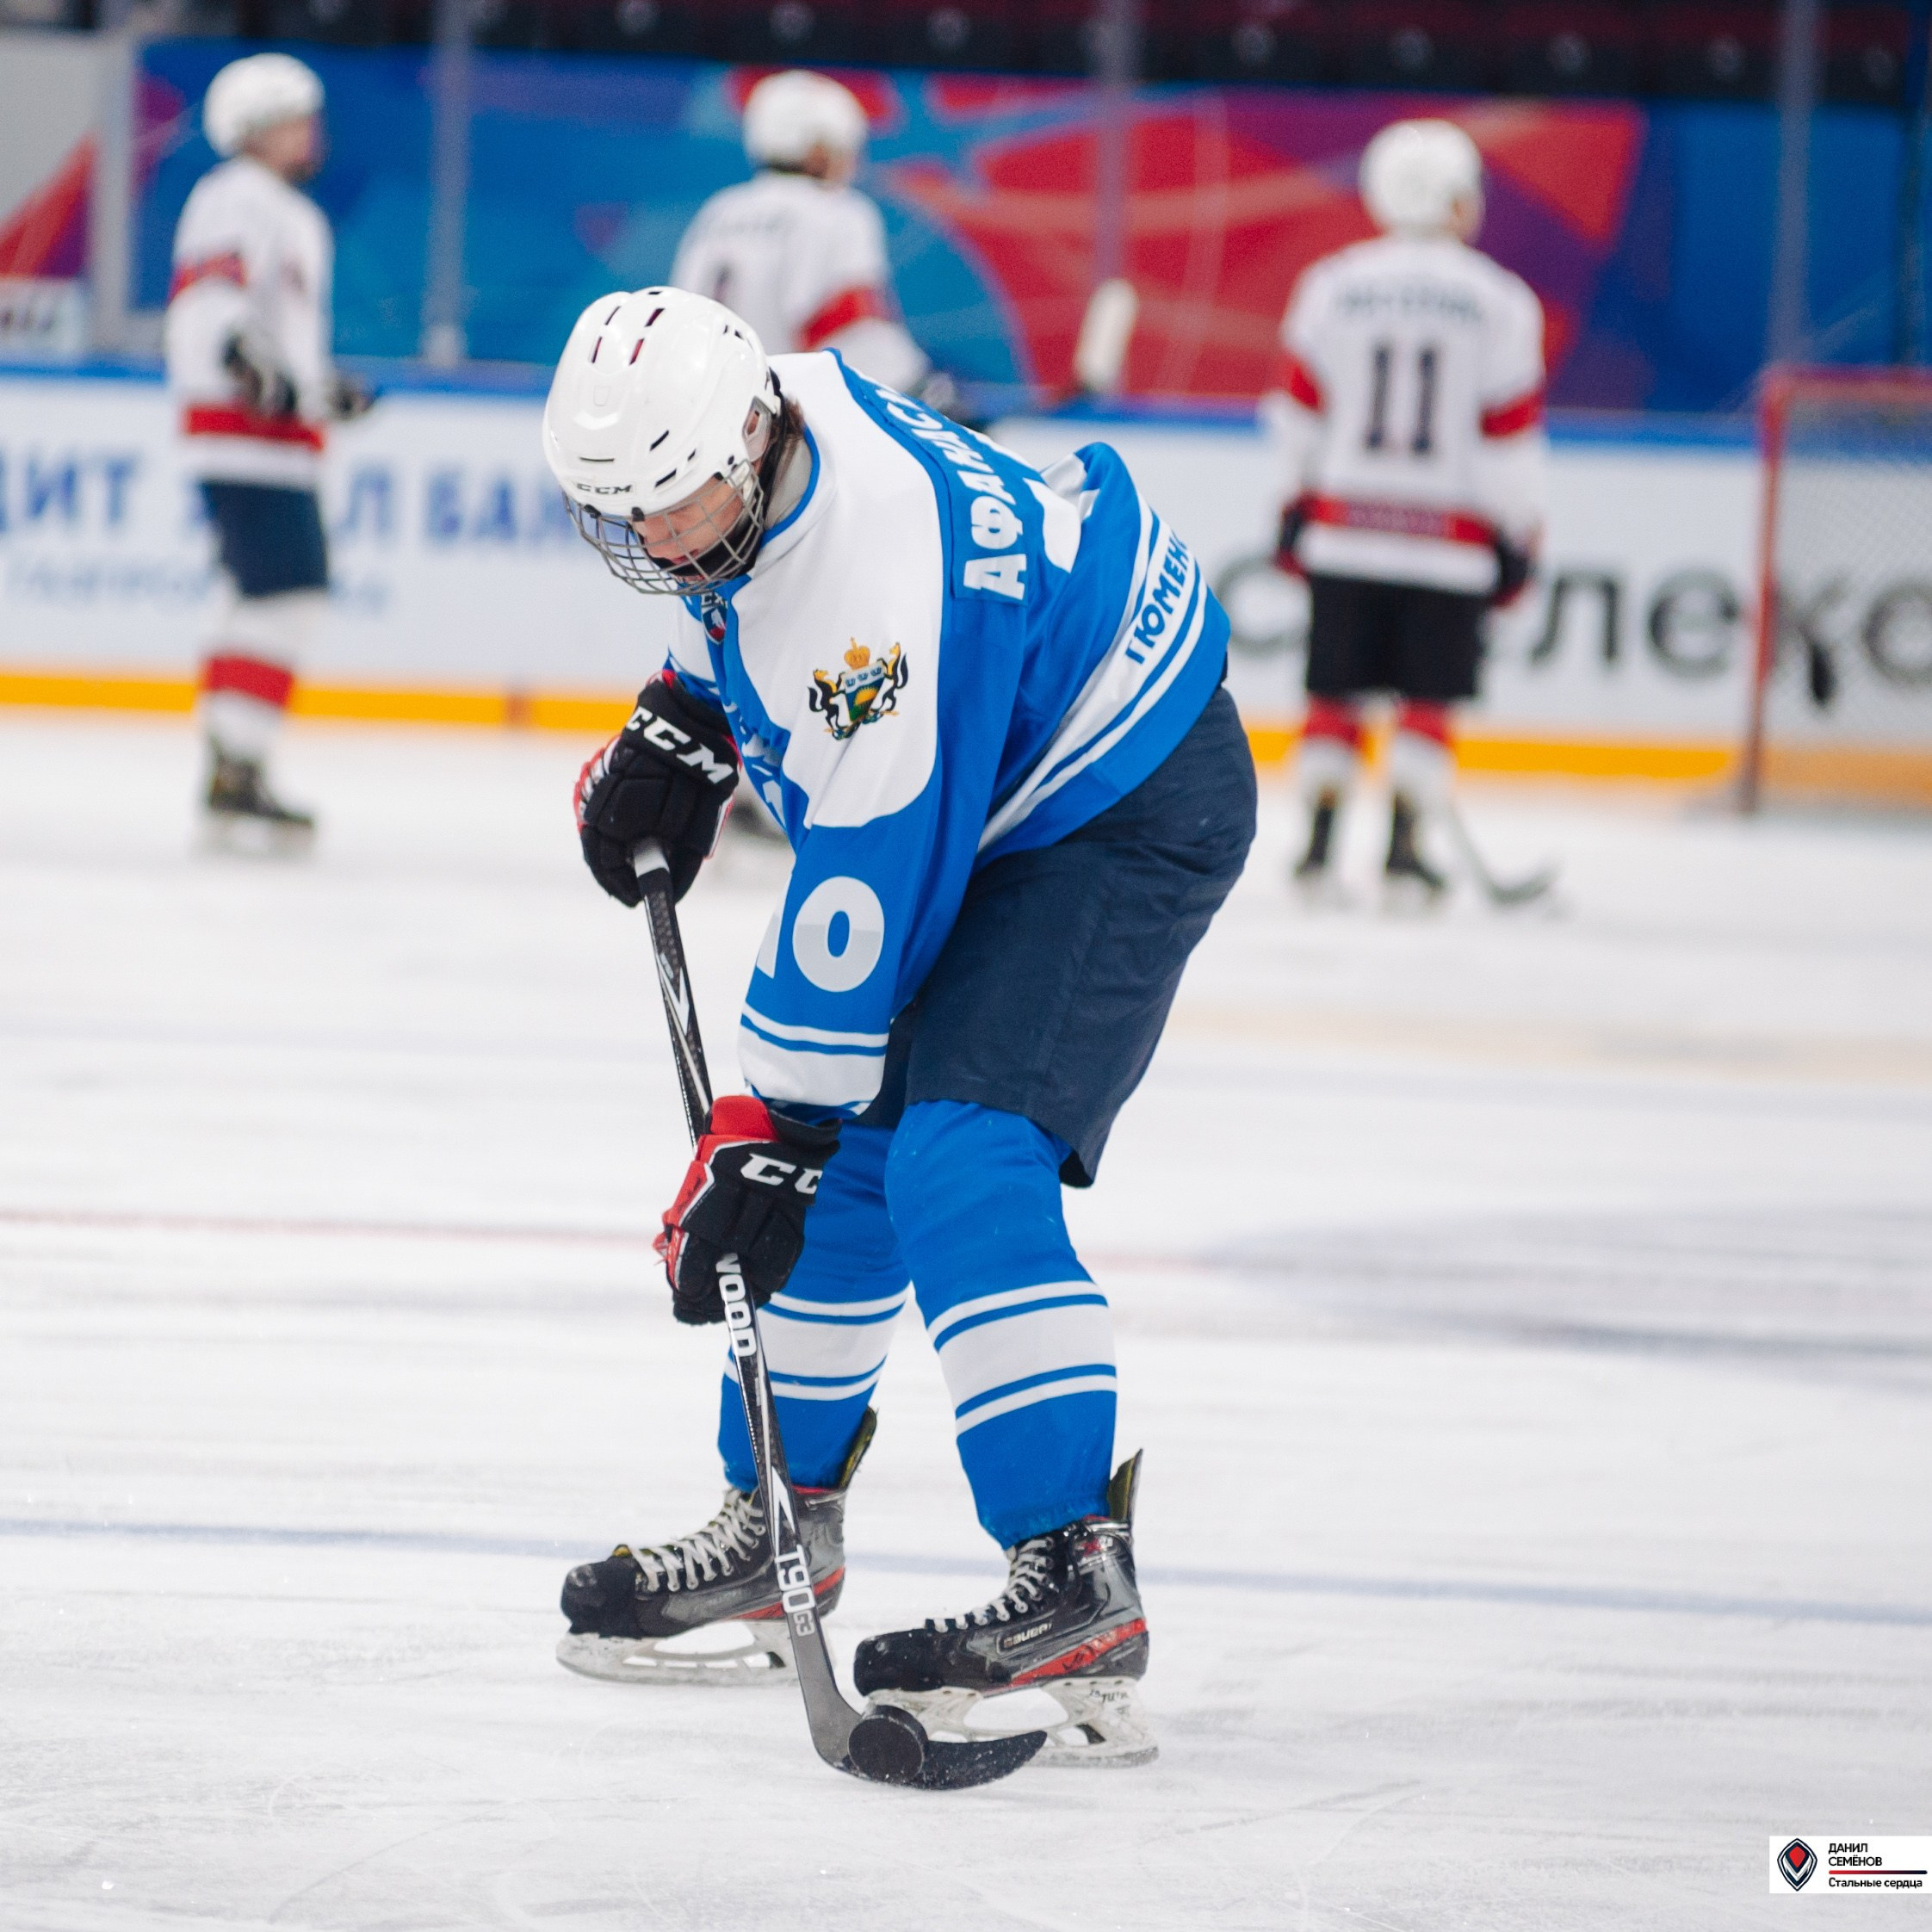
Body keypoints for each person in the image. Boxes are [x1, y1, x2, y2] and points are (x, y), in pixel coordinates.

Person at [541, 288, 1254, 1766]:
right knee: (848, 1180)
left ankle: (1074, 1574)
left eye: (673, 505)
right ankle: (776, 1518)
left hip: (1117, 795)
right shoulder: (763, 419)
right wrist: (687, 709)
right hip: (998, 754)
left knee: (956, 1159)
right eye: (627, 514)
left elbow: (867, 876)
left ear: (742, 434)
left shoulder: (877, 585)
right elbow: (759, 615)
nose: (659, 542)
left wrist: (763, 1127)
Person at [1260, 118, 1546, 898]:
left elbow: (1296, 415)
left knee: (1333, 694)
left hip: (1344, 532)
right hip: (1448, 544)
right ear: (1457, 198)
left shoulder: (1331, 285)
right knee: (1428, 698)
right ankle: (1405, 855)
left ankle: (1316, 853)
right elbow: (1507, 440)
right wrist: (1519, 533)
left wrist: (1291, 505)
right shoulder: (1501, 301)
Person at [164, 53, 374, 849]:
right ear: (259, 127)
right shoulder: (237, 196)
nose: (310, 132)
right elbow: (212, 305)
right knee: (289, 592)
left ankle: (232, 760)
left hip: (267, 440)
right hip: (250, 442)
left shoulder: (277, 207)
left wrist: (319, 388)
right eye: (296, 118)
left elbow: (261, 336)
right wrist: (251, 365)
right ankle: (236, 764)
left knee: (262, 595)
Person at [671, 69, 952, 410]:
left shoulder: (718, 211)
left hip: (704, 408)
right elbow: (854, 332)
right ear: (819, 149)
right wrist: (926, 393)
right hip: (787, 418)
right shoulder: (839, 213)